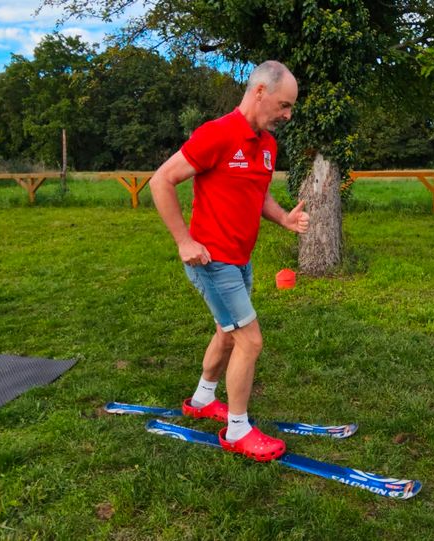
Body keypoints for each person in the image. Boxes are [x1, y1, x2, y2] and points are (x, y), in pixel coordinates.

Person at [149, 60, 309, 462]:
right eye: (284, 105)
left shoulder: (268, 146)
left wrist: (284, 217)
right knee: (249, 341)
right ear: (259, 92)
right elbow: (161, 180)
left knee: (227, 332)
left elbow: (259, 196)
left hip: (240, 259)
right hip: (211, 260)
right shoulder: (216, 135)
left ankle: (202, 400)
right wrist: (183, 240)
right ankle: (237, 430)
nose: (288, 115)